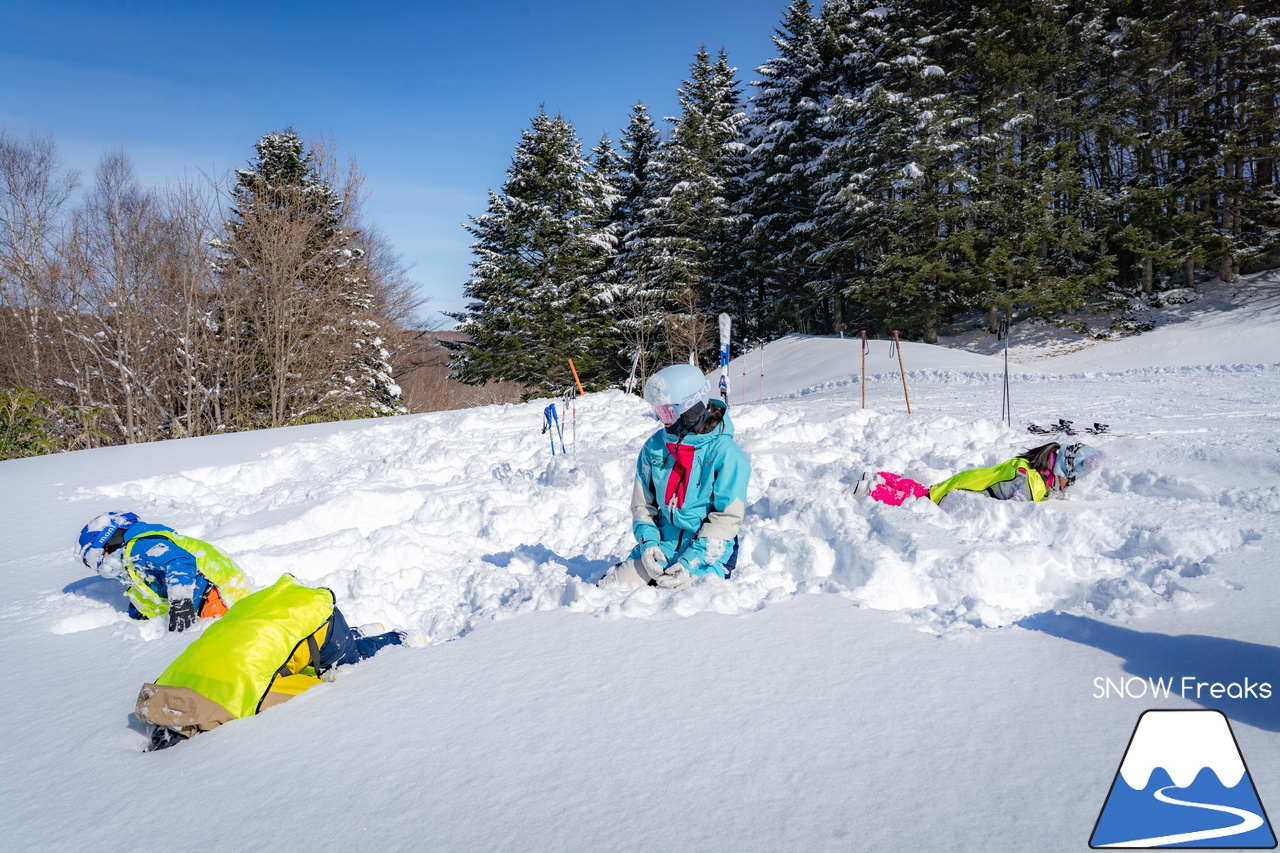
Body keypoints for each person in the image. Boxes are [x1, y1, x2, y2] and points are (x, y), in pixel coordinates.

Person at [135, 573, 406, 750]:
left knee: (344, 667)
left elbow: (315, 689)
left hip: (315, 614)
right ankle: (350, 633)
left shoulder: (245, 697)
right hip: (264, 608)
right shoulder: (165, 683)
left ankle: (397, 639)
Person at [599, 363, 752, 590]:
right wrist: (649, 544)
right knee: (611, 587)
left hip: (709, 551)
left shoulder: (727, 455)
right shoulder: (655, 447)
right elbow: (643, 506)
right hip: (664, 544)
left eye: (668, 412)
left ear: (691, 408)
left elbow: (726, 520)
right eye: (659, 411)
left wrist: (691, 563)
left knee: (679, 599)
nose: (664, 420)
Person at [77, 511, 252, 632]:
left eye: (99, 556)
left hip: (216, 595)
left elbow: (179, 561)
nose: (102, 566)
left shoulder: (140, 545)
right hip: (202, 604)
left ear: (110, 539)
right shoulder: (132, 567)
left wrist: (180, 603)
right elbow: (148, 600)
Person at [854, 441, 1105, 506]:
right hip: (967, 488)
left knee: (925, 492)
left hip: (968, 479)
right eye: (1069, 480)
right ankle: (872, 490)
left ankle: (881, 477)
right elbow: (1015, 508)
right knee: (922, 499)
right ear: (1060, 472)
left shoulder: (1031, 467)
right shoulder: (1032, 484)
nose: (1068, 486)